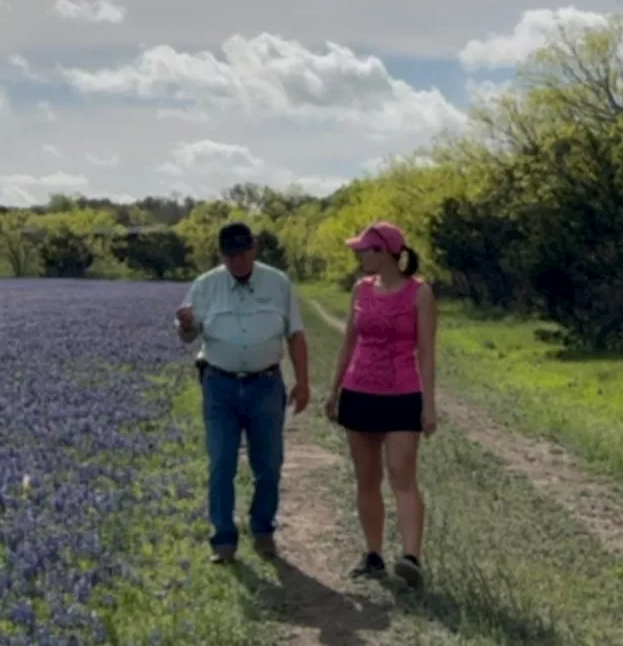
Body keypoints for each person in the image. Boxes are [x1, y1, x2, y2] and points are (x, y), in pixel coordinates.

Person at [175, 222, 310, 564]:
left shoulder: (277, 282)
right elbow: (188, 336)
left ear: (255, 248)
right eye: (230, 254)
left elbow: (295, 334)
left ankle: (263, 528)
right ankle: (223, 538)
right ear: (222, 255)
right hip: (219, 383)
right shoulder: (205, 285)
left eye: (243, 252)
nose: (238, 260)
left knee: (269, 463)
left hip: (265, 383)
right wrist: (187, 325)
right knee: (221, 462)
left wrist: (304, 381)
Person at [325, 220, 437, 588]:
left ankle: (410, 558)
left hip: (403, 394)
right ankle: (373, 555)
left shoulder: (419, 294)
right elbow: (348, 343)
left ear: (385, 252)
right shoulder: (360, 290)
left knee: (402, 476)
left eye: (364, 250)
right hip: (360, 391)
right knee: (367, 479)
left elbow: (426, 353)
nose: (358, 256)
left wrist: (428, 404)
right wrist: (334, 389)